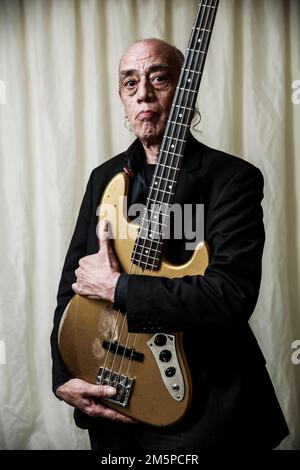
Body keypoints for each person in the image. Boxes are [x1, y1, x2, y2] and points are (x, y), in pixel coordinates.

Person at [50, 38, 289, 451]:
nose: (143, 91)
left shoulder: (233, 180)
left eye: (159, 78)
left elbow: (230, 295)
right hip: (114, 409)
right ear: (123, 99)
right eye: (129, 83)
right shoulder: (103, 178)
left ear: (186, 90)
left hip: (208, 416)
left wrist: (117, 288)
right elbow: (72, 287)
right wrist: (63, 377)